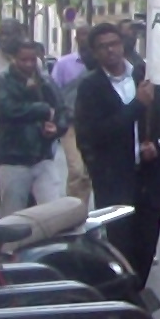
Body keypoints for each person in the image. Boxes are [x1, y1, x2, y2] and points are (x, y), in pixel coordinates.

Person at [73, 23, 160, 289]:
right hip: (116, 180)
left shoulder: (143, 76)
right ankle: (122, 304)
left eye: (114, 44)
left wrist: (158, 144)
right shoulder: (91, 87)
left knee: (146, 245)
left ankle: (136, 295)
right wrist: (135, 106)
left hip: (149, 177)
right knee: (121, 246)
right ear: (95, 53)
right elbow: (94, 134)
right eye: (103, 47)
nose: (111, 51)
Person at [0, 41, 67, 214]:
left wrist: (57, 128)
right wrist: (44, 110)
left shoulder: (45, 80)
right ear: (14, 59)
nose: (29, 64)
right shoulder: (2, 81)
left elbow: (62, 111)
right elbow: (8, 110)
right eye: (24, 60)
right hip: (13, 158)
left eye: (33, 60)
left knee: (53, 212)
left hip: (43, 156)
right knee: (13, 214)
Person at [52, 25, 94, 202]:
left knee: (87, 172)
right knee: (76, 169)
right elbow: (53, 91)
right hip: (71, 125)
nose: (84, 39)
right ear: (76, 38)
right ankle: (72, 209)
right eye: (81, 35)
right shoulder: (63, 64)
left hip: (92, 125)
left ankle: (79, 210)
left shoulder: (99, 65)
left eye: (87, 35)